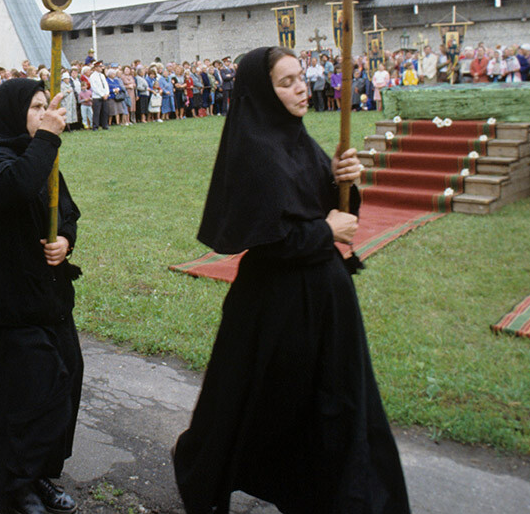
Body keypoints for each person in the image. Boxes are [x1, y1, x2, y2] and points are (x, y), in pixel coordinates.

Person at [172, 46, 410, 514]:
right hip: (276, 306)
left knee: (332, 403)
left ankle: (327, 493)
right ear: (263, 91)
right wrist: (326, 230)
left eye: (300, 77)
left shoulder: (299, 140)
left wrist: (347, 181)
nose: (301, 87)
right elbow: (271, 240)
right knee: (257, 402)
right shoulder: (255, 151)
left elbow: (339, 211)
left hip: (324, 299)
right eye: (286, 82)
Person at [0, 79, 82, 514]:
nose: (42, 115)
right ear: (14, 112)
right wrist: (47, 138)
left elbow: (65, 210)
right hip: (10, 301)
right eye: (35, 108)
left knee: (65, 382)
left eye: (44, 108)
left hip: (48, 297)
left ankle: (40, 473)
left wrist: (65, 240)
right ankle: (16, 483)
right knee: (32, 391)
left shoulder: (42, 155)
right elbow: (14, 188)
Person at [87, 63, 109, 131]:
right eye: (100, 66)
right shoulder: (93, 76)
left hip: (104, 96)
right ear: (96, 67)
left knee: (105, 111)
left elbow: (105, 85)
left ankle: (105, 125)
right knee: (97, 112)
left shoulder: (102, 75)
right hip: (97, 97)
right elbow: (94, 87)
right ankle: (95, 126)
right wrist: (102, 95)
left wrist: (107, 93)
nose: (101, 68)